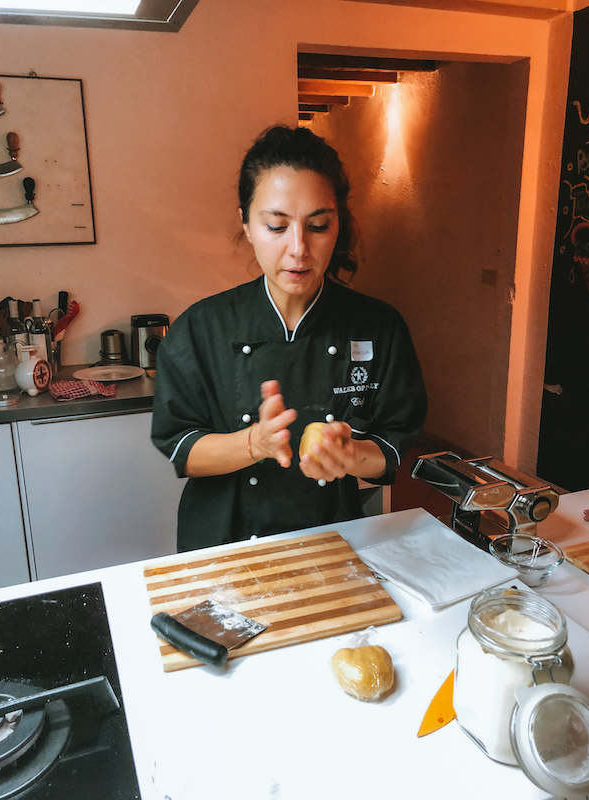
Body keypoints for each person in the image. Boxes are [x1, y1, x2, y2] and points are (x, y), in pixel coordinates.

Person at [152, 125, 427, 551]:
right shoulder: (199, 329)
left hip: (330, 536)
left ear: (338, 227)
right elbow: (182, 450)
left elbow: (391, 447)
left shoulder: (379, 327)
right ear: (246, 225)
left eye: (317, 225)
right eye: (277, 227)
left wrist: (351, 456)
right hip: (221, 543)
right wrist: (255, 443)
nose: (299, 248)